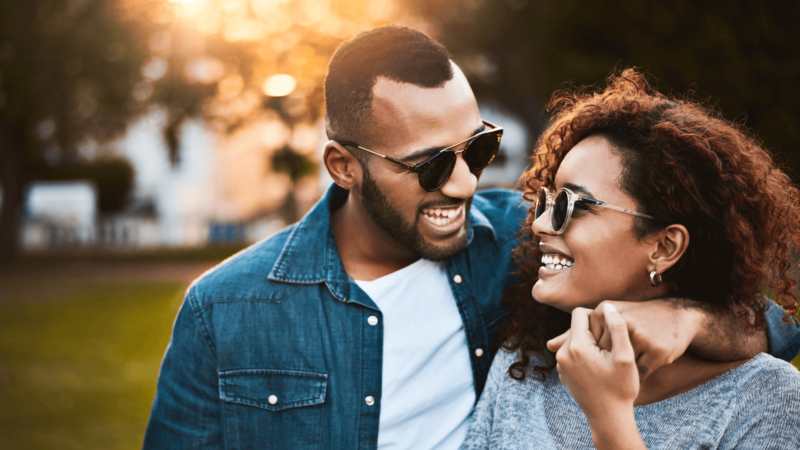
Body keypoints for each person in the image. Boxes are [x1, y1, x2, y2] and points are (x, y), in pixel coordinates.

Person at [143, 28, 800, 449]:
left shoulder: (516, 241)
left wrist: (679, 317)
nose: (462, 185)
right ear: (345, 166)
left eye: (479, 149)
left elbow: (769, 325)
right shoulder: (224, 310)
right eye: (430, 164)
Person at [463, 69, 800, 450]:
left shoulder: (765, 400)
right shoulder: (523, 363)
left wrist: (609, 416)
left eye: (572, 205)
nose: (539, 224)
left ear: (664, 247)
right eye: (547, 199)